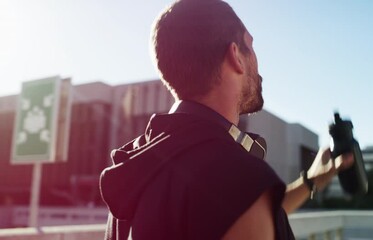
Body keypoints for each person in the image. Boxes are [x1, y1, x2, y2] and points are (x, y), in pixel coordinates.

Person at [99, 0, 354, 239]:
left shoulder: (134, 167)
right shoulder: (236, 175)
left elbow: (234, 214)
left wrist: (310, 181)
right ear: (236, 56)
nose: (257, 61)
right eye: (251, 46)